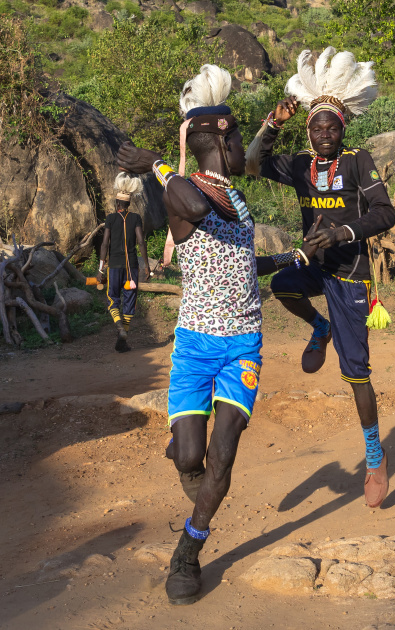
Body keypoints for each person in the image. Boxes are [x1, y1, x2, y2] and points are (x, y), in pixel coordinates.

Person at [116, 64, 319, 605]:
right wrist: (159, 165)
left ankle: (188, 550)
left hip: (243, 344)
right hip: (196, 346)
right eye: (238, 141)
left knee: (222, 456)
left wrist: (296, 255)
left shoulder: (236, 195)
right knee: (189, 460)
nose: (242, 157)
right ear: (221, 140)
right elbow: (198, 207)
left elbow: (240, 265)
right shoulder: (182, 195)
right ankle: (185, 458)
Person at [246, 48, 395, 508]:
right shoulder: (299, 165)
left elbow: (385, 212)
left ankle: (374, 456)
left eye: (331, 125)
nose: (324, 133)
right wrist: (272, 124)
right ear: (308, 131)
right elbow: (252, 164)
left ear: (343, 126)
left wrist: (344, 233)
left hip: (351, 275)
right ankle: (320, 327)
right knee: (281, 286)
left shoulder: (357, 160)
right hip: (313, 264)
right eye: (316, 127)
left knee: (356, 375)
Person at [98, 173, 150, 352]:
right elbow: (141, 242)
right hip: (132, 268)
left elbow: (105, 243)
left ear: (117, 204)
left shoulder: (111, 219)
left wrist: (100, 268)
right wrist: (148, 267)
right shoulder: (135, 218)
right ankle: (123, 337)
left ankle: (119, 327)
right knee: (130, 300)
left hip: (114, 266)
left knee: (113, 298)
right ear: (128, 204)